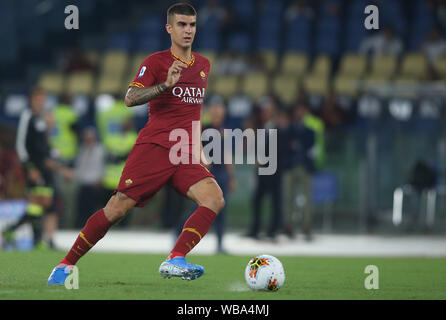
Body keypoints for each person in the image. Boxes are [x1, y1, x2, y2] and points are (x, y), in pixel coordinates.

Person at [47, 3, 225, 284]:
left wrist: (199, 147)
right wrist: (165, 85)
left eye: (192, 25)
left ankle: (175, 258)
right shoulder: (155, 62)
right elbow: (130, 98)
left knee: (214, 198)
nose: (188, 30)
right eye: (181, 24)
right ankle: (65, 264)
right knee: (117, 208)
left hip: (183, 152)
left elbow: (192, 111)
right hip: (154, 148)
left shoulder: (203, 65)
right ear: (169, 28)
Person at [2, 87, 73, 250]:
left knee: (42, 204)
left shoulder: (41, 118)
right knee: (37, 204)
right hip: (34, 168)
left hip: (45, 167)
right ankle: (36, 241)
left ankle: (14, 232)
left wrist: (50, 129)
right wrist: (29, 167)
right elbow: (21, 144)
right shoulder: (27, 116)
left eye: (43, 99)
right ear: (32, 99)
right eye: (38, 99)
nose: (41, 102)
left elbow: (43, 145)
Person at [246, 96, 283, 241]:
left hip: (273, 172)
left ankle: (273, 230)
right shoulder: (261, 129)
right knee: (257, 200)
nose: (264, 113)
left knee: (275, 201)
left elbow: (279, 150)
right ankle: (255, 229)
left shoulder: (277, 129)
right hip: (261, 172)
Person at [282, 103, 316, 241]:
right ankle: (289, 224)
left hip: (304, 166)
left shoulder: (310, 131)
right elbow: (284, 147)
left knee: (307, 197)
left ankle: (306, 225)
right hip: (290, 167)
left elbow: (311, 148)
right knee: (288, 197)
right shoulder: (288, 130)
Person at [74, 127, 106, 228]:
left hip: (93, 183)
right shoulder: (82, 149)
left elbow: (102, 166)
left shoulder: (100, 150)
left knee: (92, 207)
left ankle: (91, 226)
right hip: (83, 183)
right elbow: (79, 165)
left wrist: (100, 179)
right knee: (81, 207)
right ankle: (80, 226)